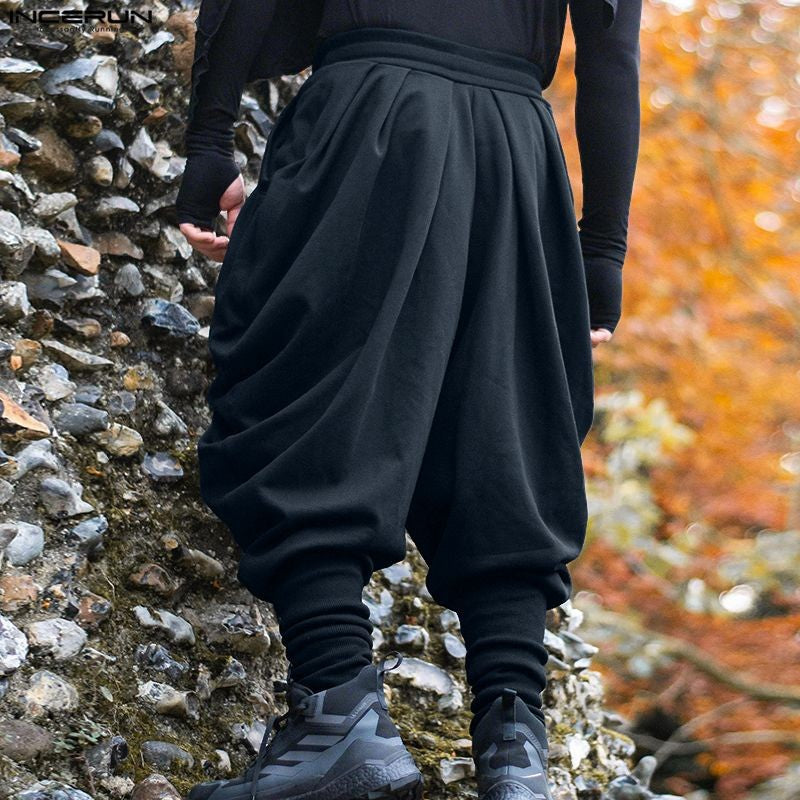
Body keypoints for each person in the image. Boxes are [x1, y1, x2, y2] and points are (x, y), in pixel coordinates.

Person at [176, 2, 641, 799]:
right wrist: (601, 249)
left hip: (368, 116)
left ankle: (338, 709)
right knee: (503, 434)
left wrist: (210, 140)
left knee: (301, 401)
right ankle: (516, 754)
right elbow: (612, 53)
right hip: (517, 151)